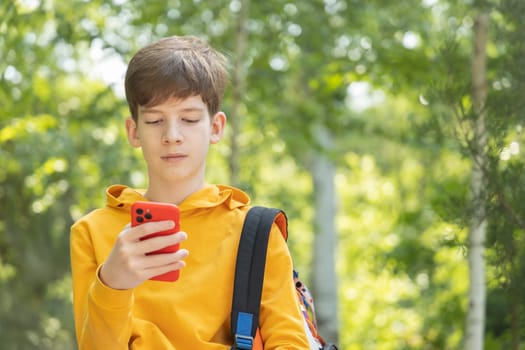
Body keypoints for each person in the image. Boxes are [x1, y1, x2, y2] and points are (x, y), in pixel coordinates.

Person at [69, 35, 310, 349]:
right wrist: (112, 284)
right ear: (134, 131)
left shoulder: (255, 233)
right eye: (155, 120)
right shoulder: (92, 232)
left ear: (216, 127)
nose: (172, 136)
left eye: (189, 119)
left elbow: (290, 342)